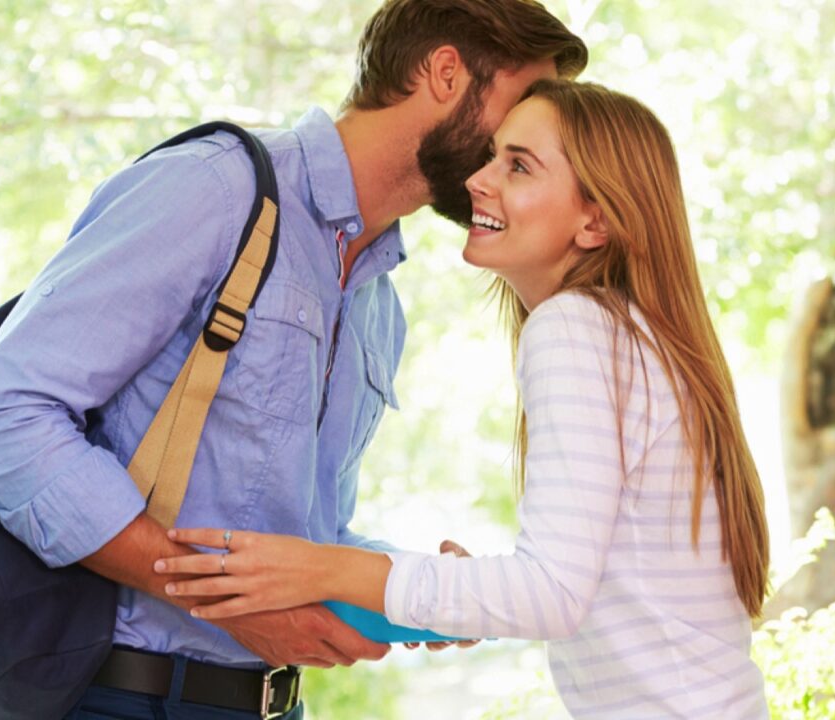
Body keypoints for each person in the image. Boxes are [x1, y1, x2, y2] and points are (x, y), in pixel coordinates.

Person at [0, 2, 586, 718]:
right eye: (523, 102)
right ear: (444, 73)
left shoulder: (375, 303)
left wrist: (413, 589)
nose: (527, 134)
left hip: (265, 705)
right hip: (112, 695)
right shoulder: (215, 191)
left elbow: (295, 537)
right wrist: (220, 603)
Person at [158, 80, 772, 719]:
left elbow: (548, 594)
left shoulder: (575, 329)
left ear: (596, 220)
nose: (479, 180)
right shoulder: (635, 337)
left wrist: (320, 569)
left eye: (519, 165)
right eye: (492, 157)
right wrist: (458, 590)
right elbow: (575, 583)